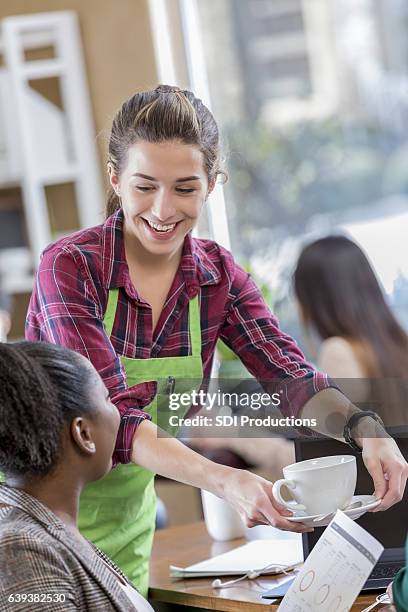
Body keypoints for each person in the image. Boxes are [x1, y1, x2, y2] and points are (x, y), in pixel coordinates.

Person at [26, 84, 408, 596]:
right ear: (116, 179)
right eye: (145, 186)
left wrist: (365, 428)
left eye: (185, 188)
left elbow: (290, 376)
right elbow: (114, 418)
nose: (163, 209)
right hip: (36, 527)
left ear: (210, 185)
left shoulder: (217, 278)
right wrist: (225, 481)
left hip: (128, 528)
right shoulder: (71, 268)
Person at [0, 341, 153, 611]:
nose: (117, 411)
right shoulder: (21, 548)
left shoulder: (56, 529)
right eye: (108, 398)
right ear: (83, 434)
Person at [294, 235, 408, 426]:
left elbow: (330, 451)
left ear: (312, 299)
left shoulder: (338, 351)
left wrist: (245, 439)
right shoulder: (398, 342)